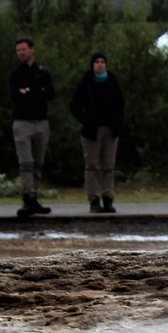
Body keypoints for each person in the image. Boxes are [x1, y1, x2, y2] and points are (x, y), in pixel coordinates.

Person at [69, 52, 124, 214]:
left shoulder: (112, 81)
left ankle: (108, 198)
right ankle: (93, 199)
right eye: (97, 62)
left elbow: (120, 104)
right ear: (92, 65)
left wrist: (118, 123)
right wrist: (86, 121)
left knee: (108, 166)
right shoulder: (86, 82)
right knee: (92, 166)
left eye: (102, 62)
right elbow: (74, 105)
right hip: (92, 131)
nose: (100, 64)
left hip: (111, 130)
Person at [9, 37, 55, 217]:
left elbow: (50, 93)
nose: (21, 53)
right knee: (26, 163)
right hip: (22, 122)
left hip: (41, 121)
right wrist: (37, 93)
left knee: (38, 163)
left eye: (23, 49)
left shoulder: (43, 73)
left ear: (31, 50)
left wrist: (28, 92)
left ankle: (35, 196)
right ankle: (27, 197)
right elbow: (15, 96)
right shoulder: (15, 74)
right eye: (18, 50)